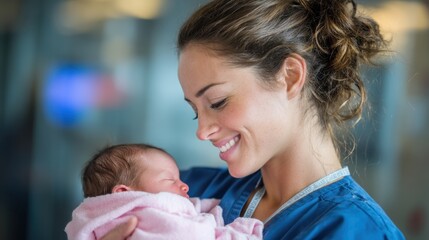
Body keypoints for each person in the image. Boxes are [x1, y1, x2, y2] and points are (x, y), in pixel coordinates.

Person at [102, 0, 405, 239]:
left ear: (290, 76)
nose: (202, 131)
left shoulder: (357, 232)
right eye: (196, 110)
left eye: (217, 102)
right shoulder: (181, 189)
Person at [65, 143, 263, 239]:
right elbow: (189, 234)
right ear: (124, 193)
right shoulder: (142, 211)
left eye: (218, 102)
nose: (185, 185)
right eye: (171, 179)